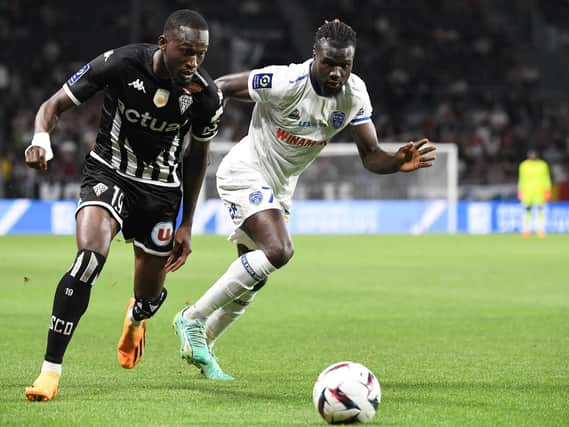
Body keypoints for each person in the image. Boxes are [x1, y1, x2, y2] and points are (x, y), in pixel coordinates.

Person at [172, 19, 437, 380]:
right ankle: (192, 319)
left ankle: (203, 344)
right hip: (245, 170)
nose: (336, 72)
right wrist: (194, 117)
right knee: (279, 251)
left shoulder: (354, 94)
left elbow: (371, 154)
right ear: (314, 55)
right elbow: (221, 86)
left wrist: (394, 162)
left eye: (345, 64)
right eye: (329, 62)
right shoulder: (284, 81)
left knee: (255, 276)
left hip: (279, 187)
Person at [24, 9, 223, 401]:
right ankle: (50, 372)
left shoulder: (206, 96)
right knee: (88, 261)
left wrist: (186, 223)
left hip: (162, 193)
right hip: (108, 174)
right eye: (186, 51)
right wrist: (40, 138)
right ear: (164, 44)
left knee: (149, 297)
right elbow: (53, 105)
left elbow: (198, 159)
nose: (193, 62)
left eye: (201, 54)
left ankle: (137, 318)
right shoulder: (121, 62)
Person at [518, 149, 551, 237]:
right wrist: (520, 191)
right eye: (531, 155)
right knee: (527, 210)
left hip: (539, 190)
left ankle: (540, 230)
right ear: (528, 156)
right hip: (527, 191)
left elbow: (546, 178)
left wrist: (547, 190)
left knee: (540, 209)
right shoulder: (523, 165)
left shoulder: (543, 165)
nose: (532, 156)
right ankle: (526, 230)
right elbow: (521, 179)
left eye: (534, 154)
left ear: (537, 155)